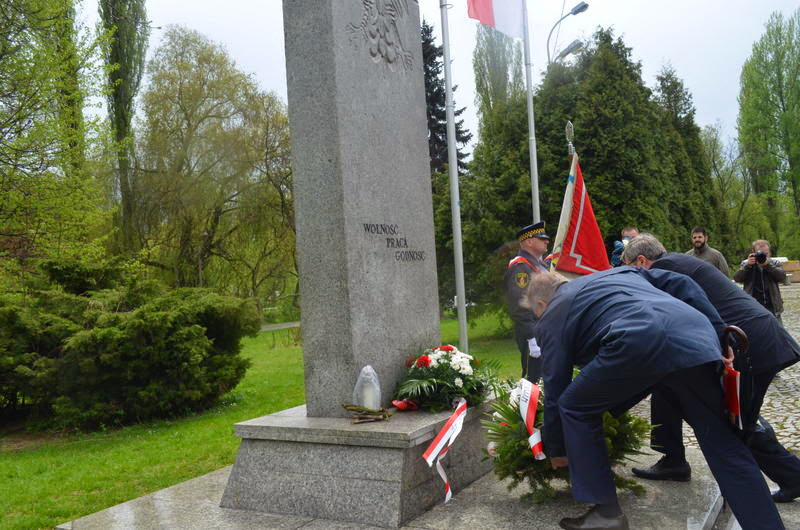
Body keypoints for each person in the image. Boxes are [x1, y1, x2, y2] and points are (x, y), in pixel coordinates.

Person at [527, 269, 783, 530]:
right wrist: (720, 333)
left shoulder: (552, 314)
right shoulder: (620, 273)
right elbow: (682, 281)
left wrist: (558, 449)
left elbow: (556, 387)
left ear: (541, 304)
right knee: (725, 445)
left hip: (636, 340)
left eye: (535, 313)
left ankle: (606, 514)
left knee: (575, 406)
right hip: (694, 336)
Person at [622, 234, 800, 502]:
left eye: (628, 266)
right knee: (667, 386)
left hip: (749, 346)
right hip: (749, 339)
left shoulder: (662, 271)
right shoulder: (676, 262)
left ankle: (793, 477)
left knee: (736, 421)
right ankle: (672, 459)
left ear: (641, 261)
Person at [504, 221, 550, 381]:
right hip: (534, 333)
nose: (547, 241)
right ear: (529, 242)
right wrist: (531, 337)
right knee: (534, 379)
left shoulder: (539, 265)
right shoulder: (521, 268)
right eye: (541, 238)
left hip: (545, 329)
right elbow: (520, 305)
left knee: (548, 377)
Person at [734, 239, 787, 325]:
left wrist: (768, 265)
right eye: (760, 254)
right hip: (753, 305)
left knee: (777, 330)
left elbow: (783, 278)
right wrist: (748, 266)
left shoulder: (774, 263)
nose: (763, 257)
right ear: (753, 252)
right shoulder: (747, 264)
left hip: (772, 305)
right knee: (755, 330)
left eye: (765, 254)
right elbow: (737, 278)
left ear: (769, 252)